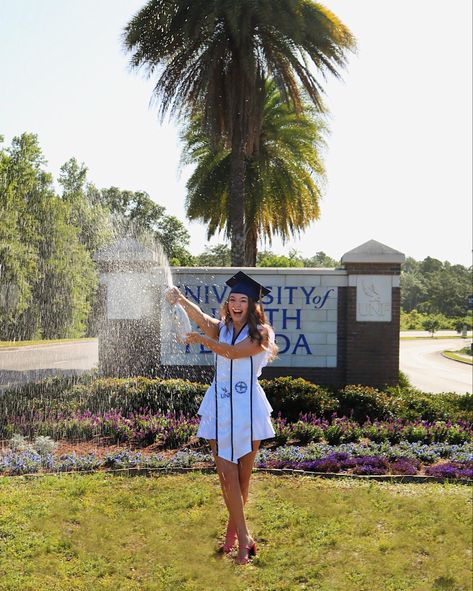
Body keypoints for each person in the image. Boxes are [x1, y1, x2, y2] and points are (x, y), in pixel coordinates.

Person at [166, 271, 278, 565]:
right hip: (219, 405)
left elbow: (231, 353)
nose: (236, 304)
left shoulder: (262, 333)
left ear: (253, 305)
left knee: (242, 480)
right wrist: (181, 301)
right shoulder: (224, 327)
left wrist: (201, 339)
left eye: (243, 300)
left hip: (248, 409)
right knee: (226, 477)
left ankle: (234, 536)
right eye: (232, 299)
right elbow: (203, 318)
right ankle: (244, 539)